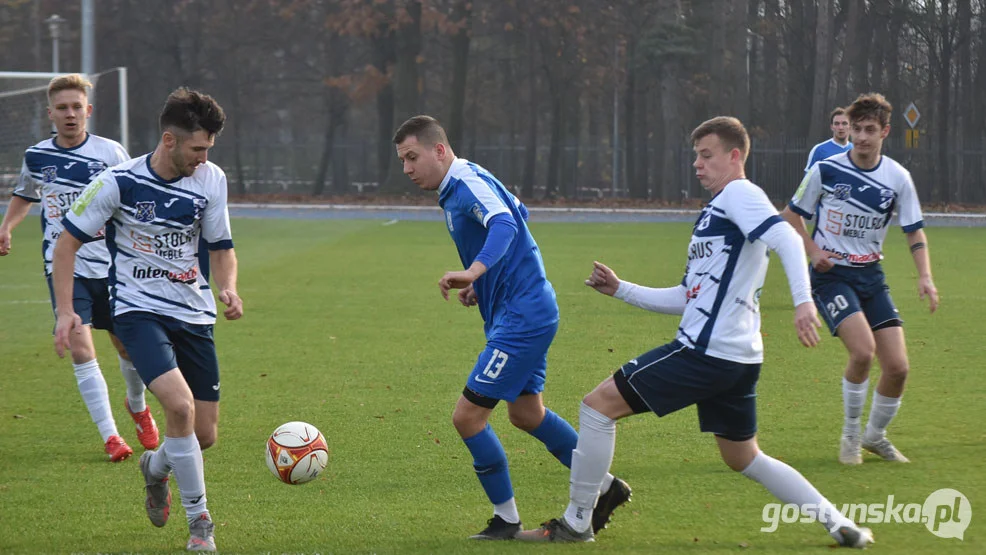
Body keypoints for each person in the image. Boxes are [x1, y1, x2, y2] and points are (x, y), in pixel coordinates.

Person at [516, 116, 874, 548]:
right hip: (738, 358)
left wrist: (802, 302)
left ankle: (576, 523)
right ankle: (840, 524)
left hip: (706, 351)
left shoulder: (740, 194)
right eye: (696, 156)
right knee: (745, 457)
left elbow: (788, 238)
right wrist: (621, 289)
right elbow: (689, 295)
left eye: (706, 155)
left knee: (597, 407)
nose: (697, 165)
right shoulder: (716, 212)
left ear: (735, 155)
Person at [393, 115, 631, 540]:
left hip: (522, 318)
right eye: (403, 161)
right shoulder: (461, 184)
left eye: (413, 157)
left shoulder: (466, 184)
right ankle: (607, 487)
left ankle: (506, 521)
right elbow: (520, 210)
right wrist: (482, 282)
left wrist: (476, 269)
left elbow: (504, 223)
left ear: (440, 150)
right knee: (526, 414)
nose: (407, 169)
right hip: (520, 311)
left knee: (467, 418)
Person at [52, 87, 241, 552]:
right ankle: (201, 527)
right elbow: (65, 244)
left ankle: (154, 468)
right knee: (179, 407)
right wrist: (64, 311)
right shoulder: (118, 182)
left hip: (194, 311)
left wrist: (229, 286)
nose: (203, 157)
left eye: (208, 149)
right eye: (197, 148)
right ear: (169, 140)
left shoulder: (211, 178)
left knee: (203, 435)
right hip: (137, 310)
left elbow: (221, 247)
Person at [0, 73, 158, 462]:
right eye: (62, 108)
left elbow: (133, 200)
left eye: (76, 107)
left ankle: (137, 406)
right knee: (79, 345)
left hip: (113, 266)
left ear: (88, 111)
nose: (70, 114)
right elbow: (25, 195)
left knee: (125, 346)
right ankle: (111, 437)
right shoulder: (37, 156)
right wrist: (6, 226)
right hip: (64, 266)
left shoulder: (111, 153)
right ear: (50, 112)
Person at [780, 93, 938, 466]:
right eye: (856, 129)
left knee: (898, 367)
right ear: (847, 130)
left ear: (885, 131)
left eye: (870, 130)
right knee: (864, 352)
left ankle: (875, 435)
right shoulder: (826, 170)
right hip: (832, 277)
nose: (862, 137)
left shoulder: (898, 178)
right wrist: (814, 251)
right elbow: (789, 215)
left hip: (871, 275)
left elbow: (914, 232)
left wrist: (926, 277)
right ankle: (850, 436)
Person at [805, 107, 853, 172]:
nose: (840, 127)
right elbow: (808, 179)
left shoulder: (856, 150)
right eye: (836, 124)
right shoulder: (819, 150)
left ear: (850, 126)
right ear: (832, 127)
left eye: (844, 123)